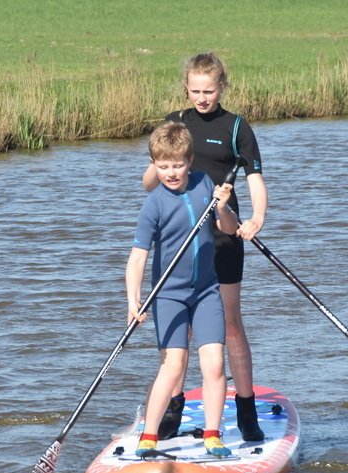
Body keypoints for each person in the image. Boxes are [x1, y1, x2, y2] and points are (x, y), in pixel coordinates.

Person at [142, 52, 267, 442]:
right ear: (186, 88)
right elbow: (150, 183)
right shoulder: (176, 123)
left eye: (209, 91)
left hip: (224, 236)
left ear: (222, 87)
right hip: (181, 240)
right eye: (195, 91)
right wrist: (156, 166)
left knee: (229, 325)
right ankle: (173, 410)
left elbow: (255, 181)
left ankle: (245, 409)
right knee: (179, 330)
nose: (202, 98)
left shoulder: (236, 128)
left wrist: (255, 220)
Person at [128, 121, 239, 458]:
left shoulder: (205, 184)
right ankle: (148, 436)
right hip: (168, 296)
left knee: (215, 365)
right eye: (163, 166)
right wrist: (134, 301)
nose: (171, 173)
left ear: (190, 160)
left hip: (206, 291)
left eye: (177, 165)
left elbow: (229, 228)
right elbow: (137, 260)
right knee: (173, 365)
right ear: (154, 164)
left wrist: (222, 206)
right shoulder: (154, 204)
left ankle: (212, 435)